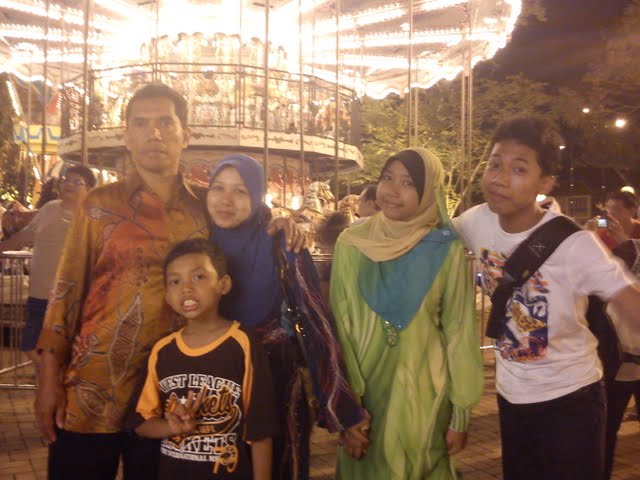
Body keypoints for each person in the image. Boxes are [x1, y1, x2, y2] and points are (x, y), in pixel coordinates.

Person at [34, 84, 303, 480]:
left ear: (186, 135)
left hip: (173, 397)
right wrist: (47, 380)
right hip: (94, 385)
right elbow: (66, 293)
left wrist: (283, 219)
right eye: (141, 124)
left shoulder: (206, 207)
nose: (154, 134)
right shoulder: (98, 206)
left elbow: (249, 220)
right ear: (127, 136)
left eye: (165, 123)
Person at [452, 117, 640, 480]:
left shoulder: (575, 243)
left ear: (545, 183)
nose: (499, 177)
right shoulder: (475, 221)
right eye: (495, 164)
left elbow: (628, 299)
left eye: (519, 168)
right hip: (510, 397)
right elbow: (425, 233)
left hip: (571, 399)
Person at [206, 154, 369, 480]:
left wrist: (343, 410)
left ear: (256, 196)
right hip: (213, 387)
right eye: (218, 188)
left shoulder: (282, 246)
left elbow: (316, 325)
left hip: (274, 384)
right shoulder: (198, 243)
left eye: (240, 191)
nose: (226, 200)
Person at [330, 147, 483, 479]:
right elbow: (341, 326)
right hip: (364, 395)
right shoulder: (351, 243)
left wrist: (460, 415)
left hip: (423, 397)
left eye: (408, 182)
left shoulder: (446, 248)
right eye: (388, 178)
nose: (392, 190)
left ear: (428, 192)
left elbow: (458, 329)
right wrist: (347, 409)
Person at [135, 238, 278, 480]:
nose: (186, 288)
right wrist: (170, 426)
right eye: (175, 281)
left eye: (198, 277)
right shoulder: (162, 350)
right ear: (167, 295)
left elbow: (261, 430)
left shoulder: (242, 344)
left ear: (223, 284)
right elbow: (141, 423)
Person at [0, 165, 96, 365]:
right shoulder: (49, 209)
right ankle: (51, 376)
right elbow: (25, 236)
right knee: (29, 345)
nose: (69, 185)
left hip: (69, 298)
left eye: (77, 182)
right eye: (66, 180)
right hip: (40, 293)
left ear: (89, 189)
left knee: (62, 349)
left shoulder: (91, 219)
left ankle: (53, 377)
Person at [604, 239, 640, 479]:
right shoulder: (629, 251)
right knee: (606, 433)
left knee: (606, 434)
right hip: (619, 367)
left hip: (620, 366)